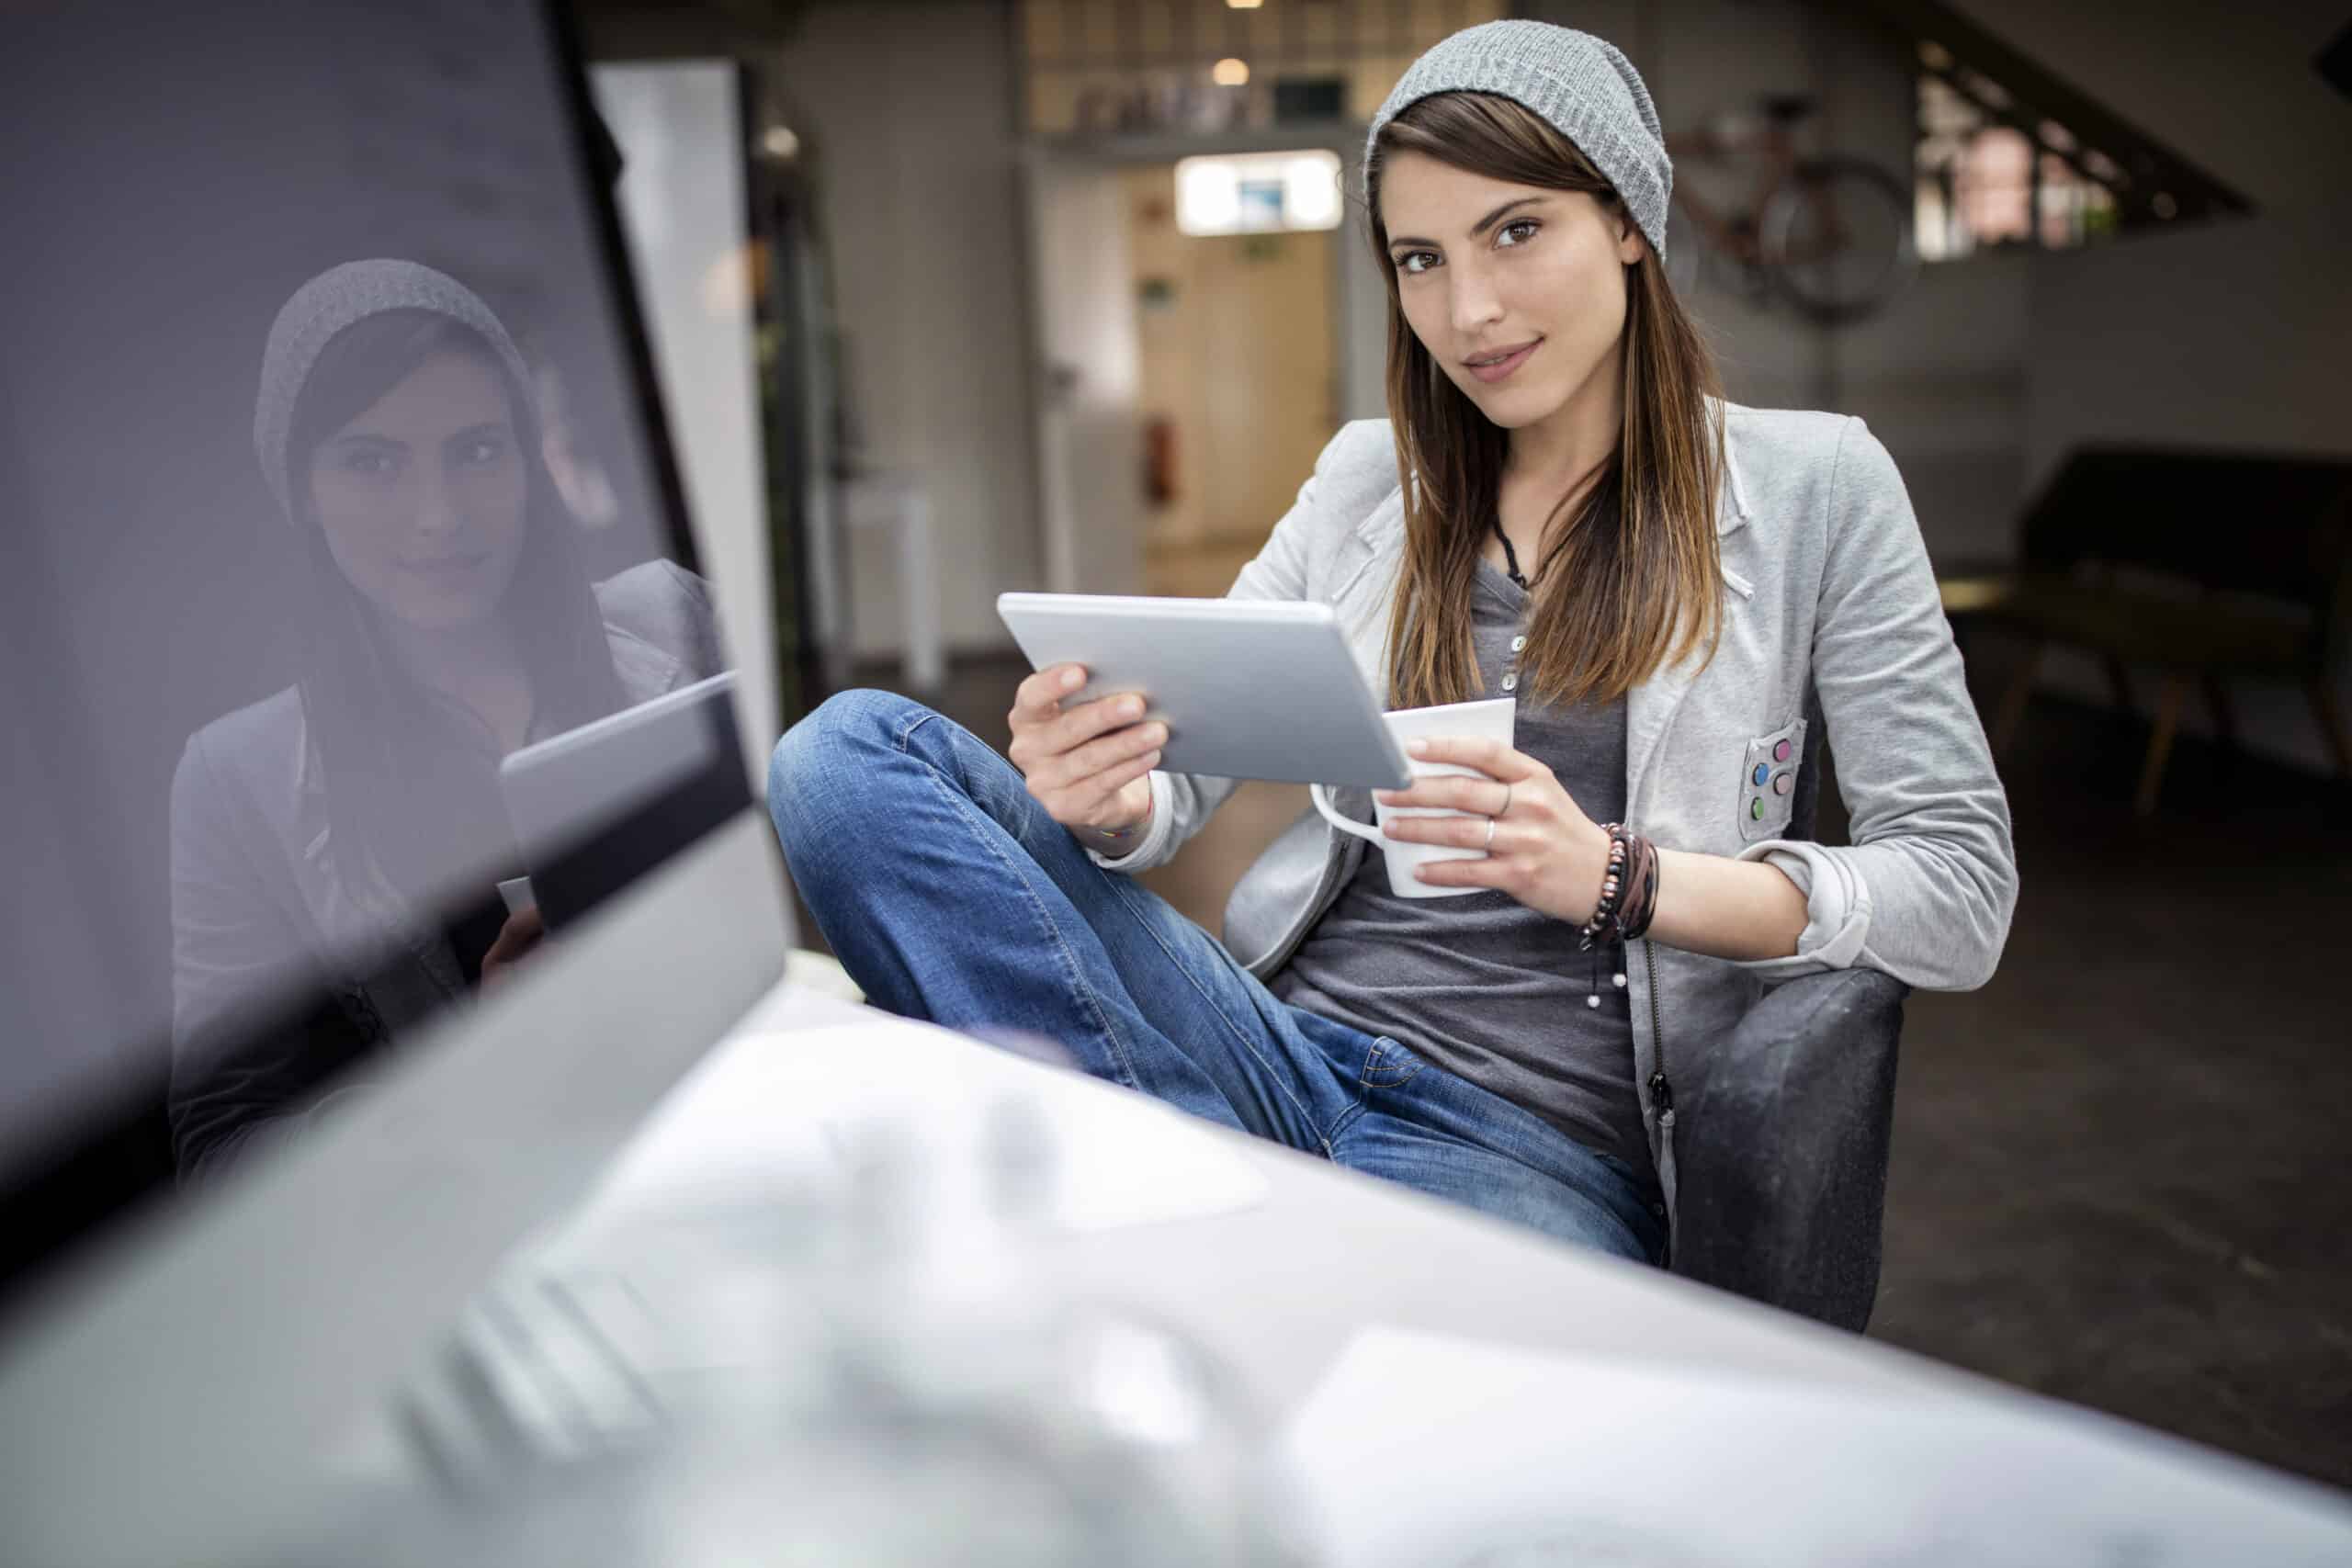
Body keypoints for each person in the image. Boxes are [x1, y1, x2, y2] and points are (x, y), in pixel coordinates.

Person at [769, 22, 2017, 1264]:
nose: (1467, 310)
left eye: (1516, 229)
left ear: (1627, 218)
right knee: (844, 758)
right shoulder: (1375, 478)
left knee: (1361, 1318)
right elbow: (1181, 774)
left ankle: (1178, 1199)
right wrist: (1108, 791)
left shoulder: (1818, 487)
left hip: (1530, 1142)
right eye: (1420, 258)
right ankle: (1212, 1197)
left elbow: (1960, 886)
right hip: (1276, 1045)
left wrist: (1620, 877)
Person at [168, 259, 723, 1179]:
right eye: (373, 463)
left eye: (475, 451)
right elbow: (220, 1145)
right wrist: (482, 1079)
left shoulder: (672, 618)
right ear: (303, 489)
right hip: (506, 1205)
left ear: (524, 457)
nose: (438, 517)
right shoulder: (237, 776)